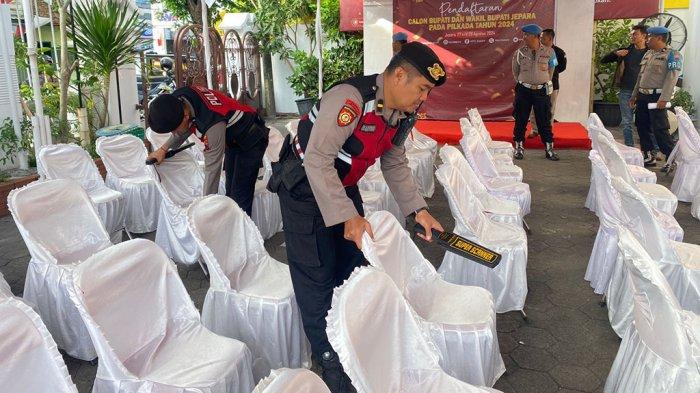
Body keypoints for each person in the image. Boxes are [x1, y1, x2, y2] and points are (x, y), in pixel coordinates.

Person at [267, 41, 446, 392]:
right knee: (317, 275)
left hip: (340, 186)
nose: (423, 99)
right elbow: (317, 160)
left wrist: (418, 209)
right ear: (398, 75)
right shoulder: (350, 100)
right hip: (303, 185)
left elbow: (394, 161)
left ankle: (351, 334)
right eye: (422, 88)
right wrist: (347, 217)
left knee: (353, 263)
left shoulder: (402, 114)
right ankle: (330, 359)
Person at [147, 85, 269, 215]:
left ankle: (244, 233)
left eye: (174, 129)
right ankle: (231, 229)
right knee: (230, 194)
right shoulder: (179, 99)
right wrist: (163, 149)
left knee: (240, 197)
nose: (173, 132)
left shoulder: (212, 124)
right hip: (233, 139)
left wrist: (204, 207)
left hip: (252, 139)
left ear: (185, 116)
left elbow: (212, 170)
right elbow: (183, 129)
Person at [629, 26, 682, 169]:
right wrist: (634, 95)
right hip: (643, 96)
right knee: (641, 125)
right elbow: (640, 77)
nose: (647, 39)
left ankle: (671, 158)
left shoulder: (673, 55)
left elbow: (672, 78)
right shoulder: (648, 54)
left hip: (657, 97)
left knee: (660, 129)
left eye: (650, 37)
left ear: (659, 38)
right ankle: (648, 155)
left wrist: (664, 98)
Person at [601, 24, 656, 149]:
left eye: (635, 34)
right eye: (632, 34)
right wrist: (616, 53)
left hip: (644, 92)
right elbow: (604, 60)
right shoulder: (627, 51)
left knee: (647, 121)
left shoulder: (651, 53)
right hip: (626, 90)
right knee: (627, 122)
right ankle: (630, 147)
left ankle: (652, 149)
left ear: (644, 36)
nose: (632, 36)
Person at [512, 23, 559, 161]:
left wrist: (542, 82)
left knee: (544, 120)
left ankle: (549, 149)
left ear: (536, 37)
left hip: (541, 91)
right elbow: (515, 72)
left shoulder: (550, 52)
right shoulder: (519, 52)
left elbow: (552, 70)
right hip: (523, 91)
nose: (524, 37)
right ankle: (519, 147)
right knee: (520, 119)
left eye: (527, 35)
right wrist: (525, 82)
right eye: (524, 34)